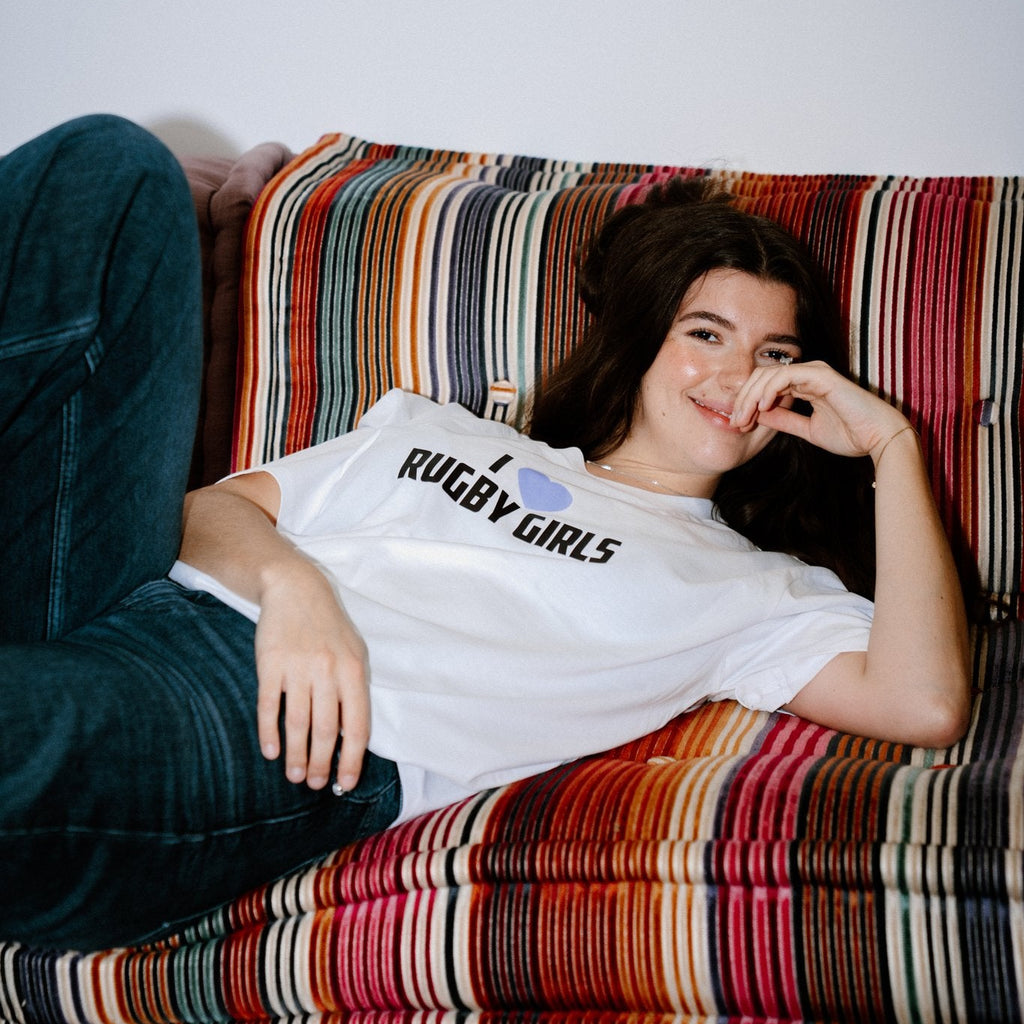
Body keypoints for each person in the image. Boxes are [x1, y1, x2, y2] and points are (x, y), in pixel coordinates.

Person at [0, 116, 970, 952]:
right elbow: (212, 508)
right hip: (132, 590)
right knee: (109, 170)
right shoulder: (435, 428)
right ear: (641, 342)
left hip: (274, 729)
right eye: (704, 332)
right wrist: (293, 591)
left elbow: (923, 703)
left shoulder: (747, 587)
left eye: (774, 353)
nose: (734, 375)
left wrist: (891, 444)